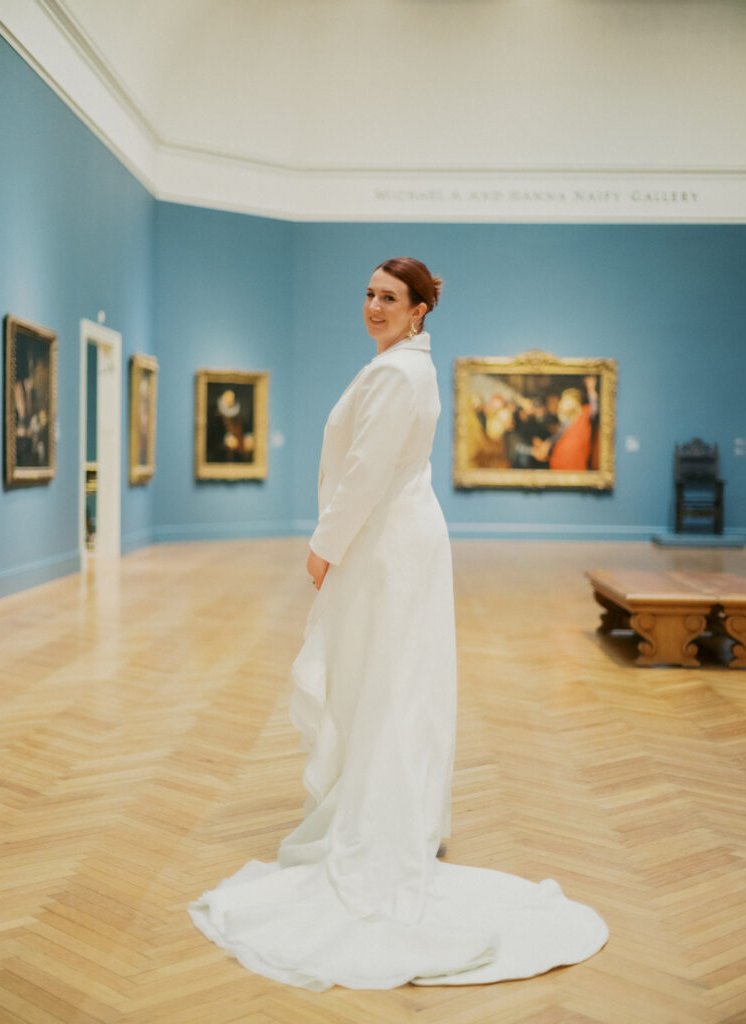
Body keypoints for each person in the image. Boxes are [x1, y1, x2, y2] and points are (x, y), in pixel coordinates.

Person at [189, 257, 608, 990]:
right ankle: (400, 814)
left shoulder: (395, 374)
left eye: (390, 297)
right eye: (369, 293)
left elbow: (365, 472)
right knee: (393, 680)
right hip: (400, 540)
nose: (373, 305)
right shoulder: (407, 367)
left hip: (383, 545)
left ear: (419, 310)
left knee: (384, 683)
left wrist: (324, 549)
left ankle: (385, 827)